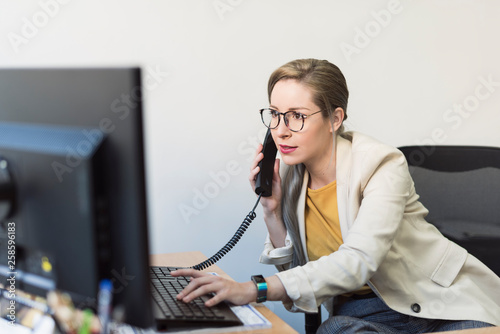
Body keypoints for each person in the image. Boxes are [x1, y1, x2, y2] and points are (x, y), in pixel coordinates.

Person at [172, 58, 500, 333]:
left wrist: (256, 288)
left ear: (335, 119)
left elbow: (359, 261)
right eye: (274, 114)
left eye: (297, 116)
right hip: (363, 312)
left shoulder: (382, 164)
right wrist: (271, 211)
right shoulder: (289, 172)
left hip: (439, 303)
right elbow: (299, 281)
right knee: (336, 330)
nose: (281, 129)